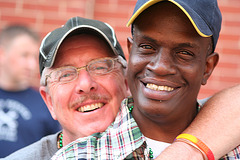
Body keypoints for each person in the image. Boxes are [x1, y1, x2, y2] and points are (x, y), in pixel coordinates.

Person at [50, 0, 240, 160]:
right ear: (130, 51)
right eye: (147, 46)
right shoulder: (78, 156)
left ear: (208, 68)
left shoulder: (234, 150)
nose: (160, 66)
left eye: (184, 53)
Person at [3, 17, 130, 160]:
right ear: (49, 101)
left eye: (100, 67)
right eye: (66, 74)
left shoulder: (158, 150)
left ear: (126, 82)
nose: (85, 85)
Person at [0, 25, 60, 158]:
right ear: (2, 54)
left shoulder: (46, 103)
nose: (32, 65)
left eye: (34, 57)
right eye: (24, 55)